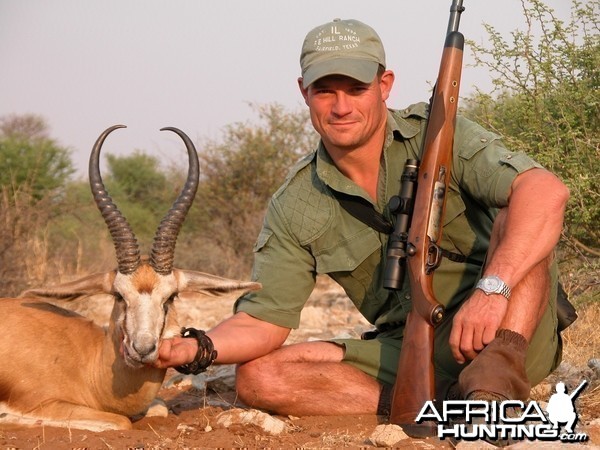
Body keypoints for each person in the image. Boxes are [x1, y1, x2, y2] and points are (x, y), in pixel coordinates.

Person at [155, 18, 569, 417]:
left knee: (518, 215)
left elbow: (547, 192)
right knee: (259, 378)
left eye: (356, 89)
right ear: (303, 91)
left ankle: (495, 383)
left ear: (384, 85)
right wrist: (194, 348)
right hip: (409, 344)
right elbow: (264, 319)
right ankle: (437, 404)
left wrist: (490, 293)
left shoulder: (438, 134)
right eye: (324, 91)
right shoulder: (295, 200)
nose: (340, 107)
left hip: (505, 328)